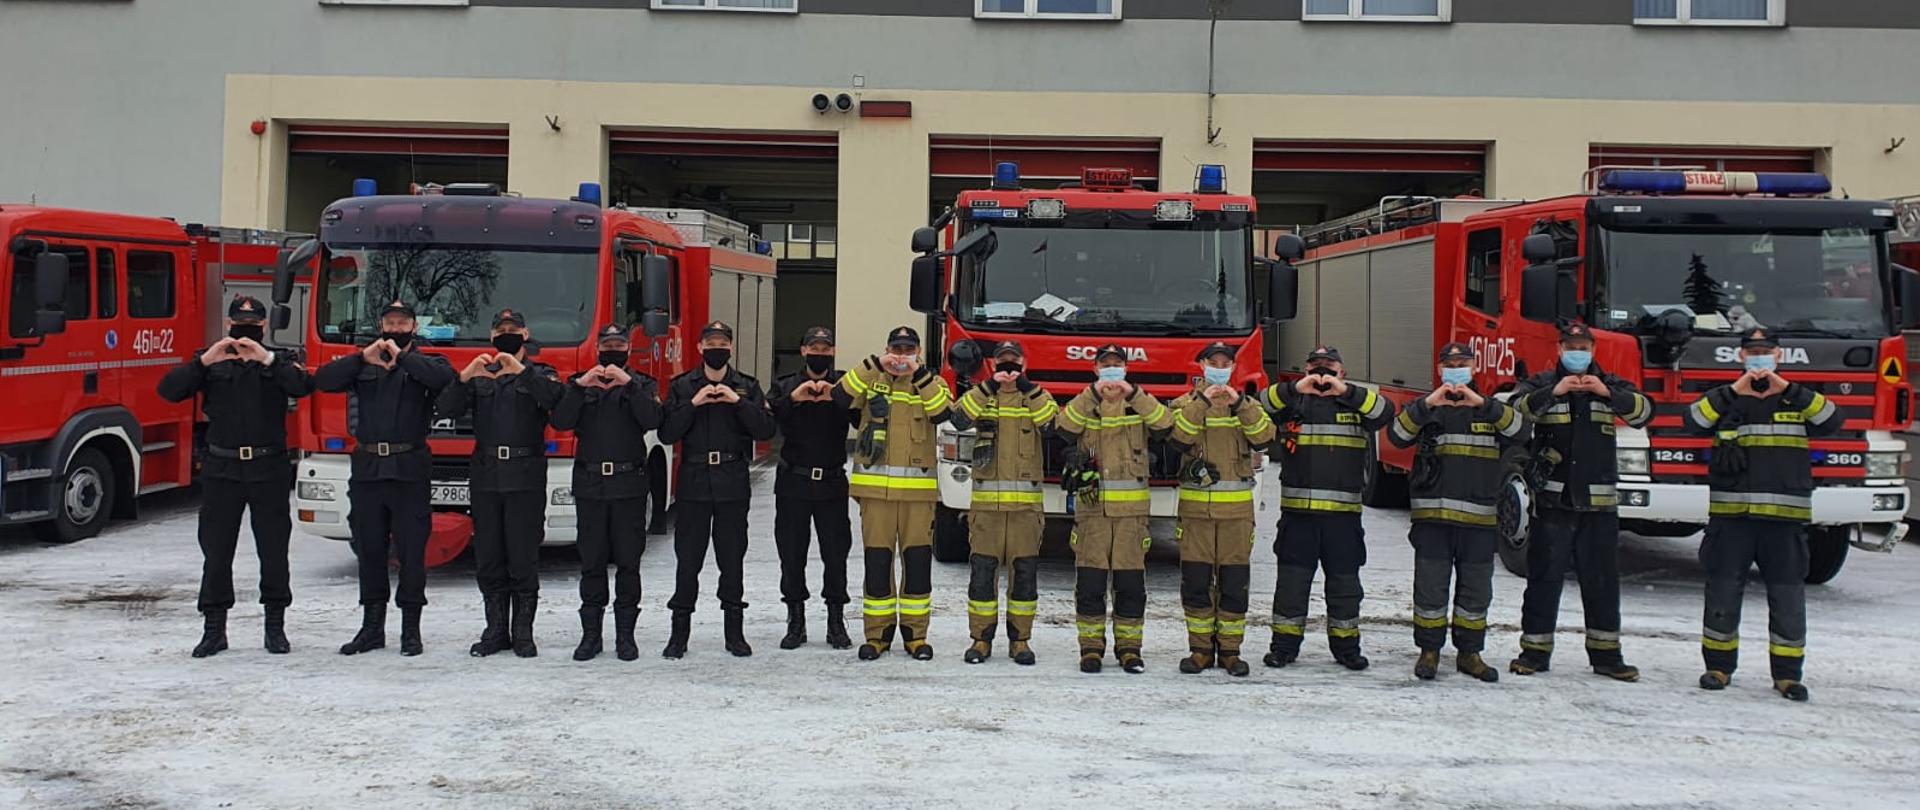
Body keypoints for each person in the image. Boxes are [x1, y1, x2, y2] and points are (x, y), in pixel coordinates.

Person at [1685, 327, 1839, 701]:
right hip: (1732, 519)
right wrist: (1734, 390)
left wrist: (1787, 389)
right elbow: (1692, 421)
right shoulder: (1727, 398)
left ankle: (1787, 675)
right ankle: (1718, 667)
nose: (1759, 359)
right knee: (1722, 593)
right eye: (1752, 353)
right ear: (1741, 357)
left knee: (1787, 599)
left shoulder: (1797, 399)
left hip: (1783, 523)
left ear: (1778, 356)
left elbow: (1833, 420)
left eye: (1766, 353)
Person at [157, 295, 313, 657]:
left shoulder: (279, 360)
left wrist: (266, 358)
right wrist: (206, 360)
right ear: (228, 325)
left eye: (253, 324)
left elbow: (303, 387)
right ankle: (214, 628)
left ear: (263, 326)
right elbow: (168, 391)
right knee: (216, 550)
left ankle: (275, 625)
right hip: (222, 468)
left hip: (268, 467)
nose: (245, 330)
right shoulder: (210, 361)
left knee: (273, 550)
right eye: (239, 324)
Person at [1508, 321, 1653, 681]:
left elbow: (1645, 412)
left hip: (1599, 508)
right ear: (1559, 350)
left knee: (1601, 581)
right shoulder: (1542, 383)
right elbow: (1514, 413)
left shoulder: (1611, 384)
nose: (1577, 353)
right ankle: (1534, 654)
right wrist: (1553, 392)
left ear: (1593, 351)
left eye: (1583, 347)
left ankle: (1607, 657)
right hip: (1554, 505)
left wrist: (1607, 393)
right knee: (1544, 580)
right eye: (1571, 346)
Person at [314, 300, 456, 657]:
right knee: (370, 549)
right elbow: (323, 381)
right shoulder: (363, 363)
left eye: (402, 322)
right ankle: (372, 628)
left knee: (411, 552)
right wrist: (364, 357)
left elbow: (445, 381)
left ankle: (411, 629)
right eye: (390, 322)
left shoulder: (426, 364)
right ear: (381, 324)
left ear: (413, 326)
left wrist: (403, 357)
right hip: (368, 470)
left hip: (409, 468)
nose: (395, 328)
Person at [1386, 342, 1525, 682]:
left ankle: (1470, 654)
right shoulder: (1428, 408)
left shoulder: (1490, 409)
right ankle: (1429, 651)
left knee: (1475, 594)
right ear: (1439, 369)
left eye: (1462, 362)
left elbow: (1522, 431)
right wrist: (1426, 404)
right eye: (1450, 363)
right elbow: (1395, 436)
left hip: (1478, 523)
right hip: (1433, 522)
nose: (1456, 368)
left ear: (1474, 367)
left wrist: (1484, 404)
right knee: (1430, 592)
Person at [436, 309, 563, 658]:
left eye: (513, 329)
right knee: (489, 555)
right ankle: (495, 630)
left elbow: (559, 406)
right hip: (486, 474)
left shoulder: (540, 373)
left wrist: (521, 371)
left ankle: (523, 632)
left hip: (525, 473)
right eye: (500, 330)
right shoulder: (481, 377)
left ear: (526, 334)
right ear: (491, 337)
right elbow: (445, 409)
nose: (506, 334)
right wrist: (463, 377)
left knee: (523, 555)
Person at [1260, 345, 1396, 672]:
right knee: (1291, 588)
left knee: (1345, 587)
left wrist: (1345, 391)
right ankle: (1283, 648)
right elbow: (1259, 406)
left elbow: (1386, 413)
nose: (1322, 372)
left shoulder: (1355, 401)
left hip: (1342, 521)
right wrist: (1295, 388)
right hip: (1298, 519)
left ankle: (1347, 649)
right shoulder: (1292, 401)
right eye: (1315, 367)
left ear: (1342, 371)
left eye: (1329, 366)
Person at [837, 325, 968, 661]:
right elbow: (840, 396)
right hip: (875, 495)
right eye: (896, 349)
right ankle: (876, 636)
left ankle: (915, 635)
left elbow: (943, 413)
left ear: (918, 353)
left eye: (908, 350)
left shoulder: (931, 383)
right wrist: (874, 364)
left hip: (917, 496)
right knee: (878, 566)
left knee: (918, 565)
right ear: (886, 349)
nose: (901, 356)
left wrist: (919, 374)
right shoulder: (871, 379)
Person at [658, 321, 776, 659]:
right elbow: (667, 432)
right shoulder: (683, 386)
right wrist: (693, 403)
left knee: (732, 559)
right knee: (688, 560)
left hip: (732, 482)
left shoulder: (746, 386)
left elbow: (765, 428)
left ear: (731, 348)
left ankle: (734, 633)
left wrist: (737, 403)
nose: (717, 347)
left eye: (722, 342)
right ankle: (679, 634)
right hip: (694, 480)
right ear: (699, 348)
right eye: (710, 341)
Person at [1054, 343, 1174, 674]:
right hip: (1092, 513)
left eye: (1116, 364)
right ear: (1094, 370)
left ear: (1126, 368)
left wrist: (1132, 393)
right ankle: (1091, 649)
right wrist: (1092, 394)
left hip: (1132, 518)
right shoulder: (1084, 403)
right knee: (1090, 584)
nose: (1111, 369)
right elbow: (1063, 429)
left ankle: (1130, 649)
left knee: (1130, 585)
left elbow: (1166, 426)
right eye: (1104, 364)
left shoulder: (1140, 402)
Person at [551, 324, 664, 662]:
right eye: (607, 344)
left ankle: (626, 637)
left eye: (619, 344)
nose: (613, 349)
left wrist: (628, 386)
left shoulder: (641, 384)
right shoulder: (581, 385)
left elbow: (653, 419)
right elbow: (561, 420)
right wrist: (580, 386)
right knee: (592, 563)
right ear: (598, 348)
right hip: (591, 486)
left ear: (628, 349)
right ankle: (591, 636)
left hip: (628, 486)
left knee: (629, 563)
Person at [1166, 341, 1275, 677]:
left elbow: (1265, 437)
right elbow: (1178, 439)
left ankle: (1230, 651)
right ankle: (1199, 650)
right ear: (1201, 367)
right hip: (1196, 515)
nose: (1219, 367)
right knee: (1196, 583)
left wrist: (1239, 403)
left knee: (1233, 585)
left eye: (1225, 362)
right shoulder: (1183, 404)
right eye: (1213, 362)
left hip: (1237, 517)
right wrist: (1204, 402)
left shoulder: (1247, 405)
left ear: (1232, 368)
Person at [954, 341, 1058, 666]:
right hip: (986, 512)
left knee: (1024, 577)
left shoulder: (1036, 397)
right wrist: (988, 385)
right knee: (982, 576)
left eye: (1014, 363)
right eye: (1003, 362)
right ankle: (980, 640)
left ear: (1024, 364)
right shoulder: (983, 396)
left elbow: (1052, 425)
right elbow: (958, 419)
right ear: (994, 364)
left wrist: (1025, 386)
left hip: (1026, 513)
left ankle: (1021, 641)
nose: (1008, 368)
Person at [768, 326, 859, 650]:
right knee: (792, 555)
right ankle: (796, 621)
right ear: (803, 351)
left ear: (832, 351)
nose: (820, 353)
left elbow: (862, 419)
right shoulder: (785, 385)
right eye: (813, 347)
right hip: (794, 481)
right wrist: (795, 398)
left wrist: (839, 395)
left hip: (832, 482)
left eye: (826, 348)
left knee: (836, 554)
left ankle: (836, 621)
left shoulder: (845, 384)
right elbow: (768, 424)